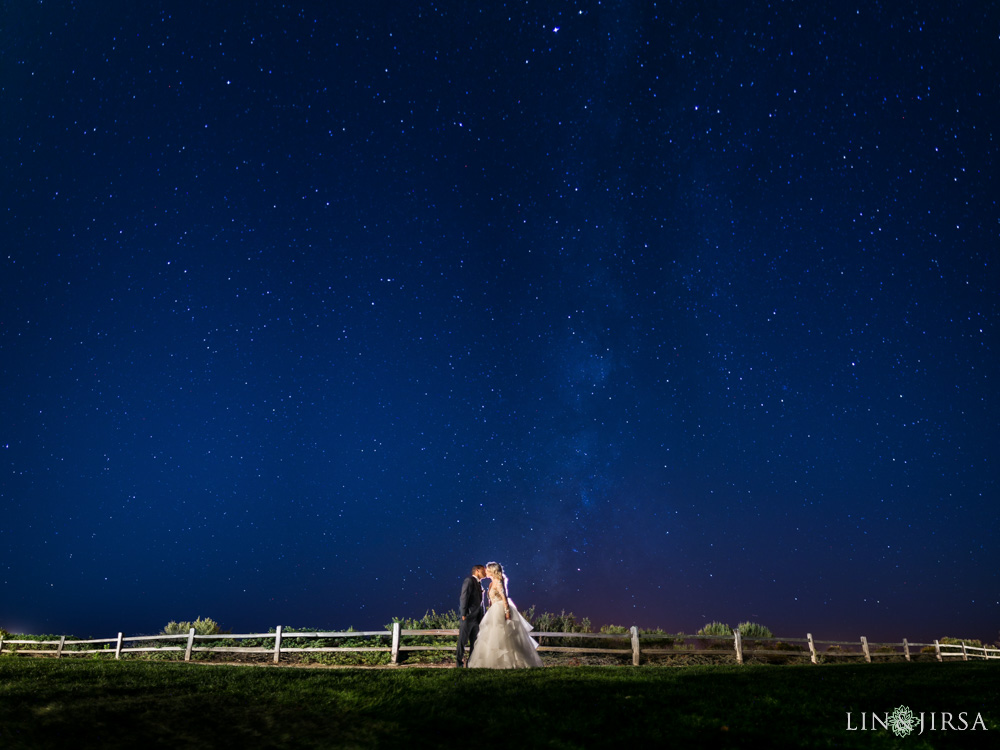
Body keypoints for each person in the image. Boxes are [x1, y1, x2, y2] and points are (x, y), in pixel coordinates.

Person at [467, 561, 543, 669]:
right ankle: (493, 662)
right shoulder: (491, 583)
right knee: (492, 635)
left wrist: (507, 612)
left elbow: (504, 598)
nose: (485, 571)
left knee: (504, 635)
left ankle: (509, 662)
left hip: (500, 609)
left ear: (492, 571)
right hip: (493, 610)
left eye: (487, 570)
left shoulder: (498, 582)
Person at [456, 564, 487, 667]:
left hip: (477, 618)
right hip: (468, 617)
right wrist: (463, 614)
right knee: (462, 641)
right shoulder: (469, 581)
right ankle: (459, 664)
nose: (485, 572)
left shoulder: (479, 584)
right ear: (477, 571)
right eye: (483, 570)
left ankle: (470, 664)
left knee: (474, 642)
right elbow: (464, 597)